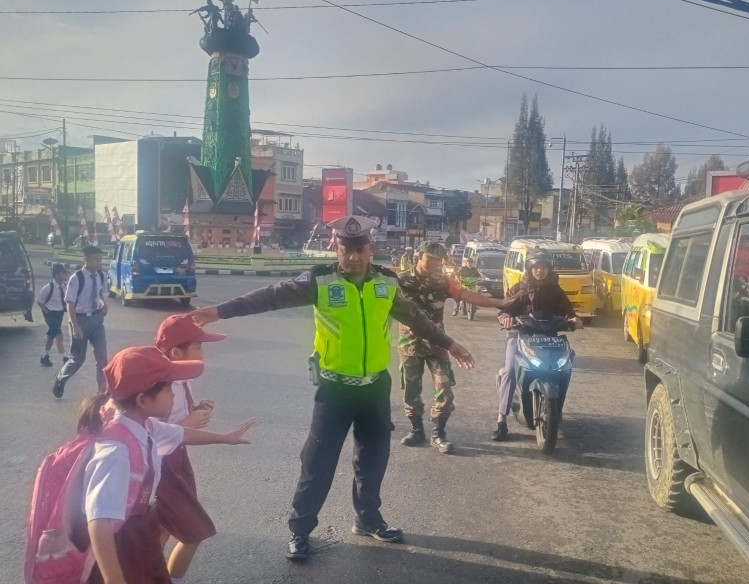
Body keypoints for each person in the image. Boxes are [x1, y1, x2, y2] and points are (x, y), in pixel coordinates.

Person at [191, 215, 475, 561]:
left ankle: (368, 519)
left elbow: (414, 317)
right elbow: (269, 297)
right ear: (335, 247)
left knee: (373, 460)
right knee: (318, 462)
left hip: (374, 389)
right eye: (346, 249)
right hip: (335, 389)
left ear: (371, 248)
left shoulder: (386, 281)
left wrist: (450, 343)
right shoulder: (319, 279)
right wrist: (219, 311)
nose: (353, 256)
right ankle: (299, 530)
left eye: (359, 249)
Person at [81, 346, 255, 584]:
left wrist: (226, 438)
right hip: (122, 542)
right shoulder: (115, 452)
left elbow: (183, 434)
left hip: (143, 529)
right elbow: (99, 524)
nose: (174, 394)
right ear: (143, 399)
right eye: (168, 389)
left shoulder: (146, 425)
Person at [397, 241, 511, 453]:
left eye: (439, 260)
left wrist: (499, 303)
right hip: (409, 344)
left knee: (445, 388)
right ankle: (416, 430)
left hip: (438, 343)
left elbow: (467, 295)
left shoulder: (443, 281)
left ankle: (438, 434)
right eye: (430, 259)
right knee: (411, 390)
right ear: (419, 256)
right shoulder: (401, 281)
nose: (435, 264)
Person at [153, 314, 228, 584]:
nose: (202, 353)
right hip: (160, 468)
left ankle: (153, 573)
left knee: (163, 528)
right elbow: (147, 439)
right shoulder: (158, 386)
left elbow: (177, 418)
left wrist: (195, 411)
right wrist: (188, 423)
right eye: (197, 347)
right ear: (175, 352)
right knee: (194, 531)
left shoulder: (182, 376)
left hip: (178, 459)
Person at [493, 250, 582, 441]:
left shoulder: (556, 290)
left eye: (543, 267)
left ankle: (555, 406)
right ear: (530, 269)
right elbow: (504, 309)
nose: (539, 271)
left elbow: (569, 311)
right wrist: (506, 317)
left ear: (548, 269)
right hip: (520, 335)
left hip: (549, 337)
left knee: (568, 361)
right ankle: (501, 419)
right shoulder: (519, 288)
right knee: (509, 370)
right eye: (536, 267)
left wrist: (574, 319)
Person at [54, 246, 109, 399]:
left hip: (97, 319)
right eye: (96, 259)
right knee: (78, 359)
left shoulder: (100, 275)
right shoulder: (76, 278)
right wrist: (75, 326)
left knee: (102, 358)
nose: (99, 262)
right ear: (86, 259)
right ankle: (60, 378)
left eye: (100, 259)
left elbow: (99, 293)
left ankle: (101, 393)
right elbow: (69, 304)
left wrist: (104, 303)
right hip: (80, 320)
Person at [36, 263, 70, 367]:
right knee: (59, 335)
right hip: (50, 313)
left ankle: (45, 357)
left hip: (59, 313)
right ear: (56, 275)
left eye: (65, 273)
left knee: (51, 336)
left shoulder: (64, 287)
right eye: (62, 273)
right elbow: (39, 301)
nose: (65, 275)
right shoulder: (48, 287)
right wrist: (46, 311)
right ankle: (65, 358)